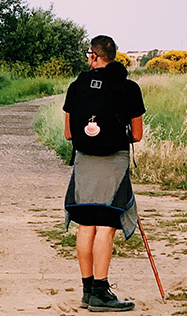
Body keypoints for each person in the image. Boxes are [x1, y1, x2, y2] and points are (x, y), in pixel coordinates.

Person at [63, 35, 144, 312]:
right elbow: (137, 135)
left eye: (89, 54)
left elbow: (68, 133)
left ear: (94, 56)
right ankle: (100, 291)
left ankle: (88, 292)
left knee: (86, 225)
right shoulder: (129, 88)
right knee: (106, 227)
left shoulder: (76, 87)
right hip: (113, 165)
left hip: (85, 163)